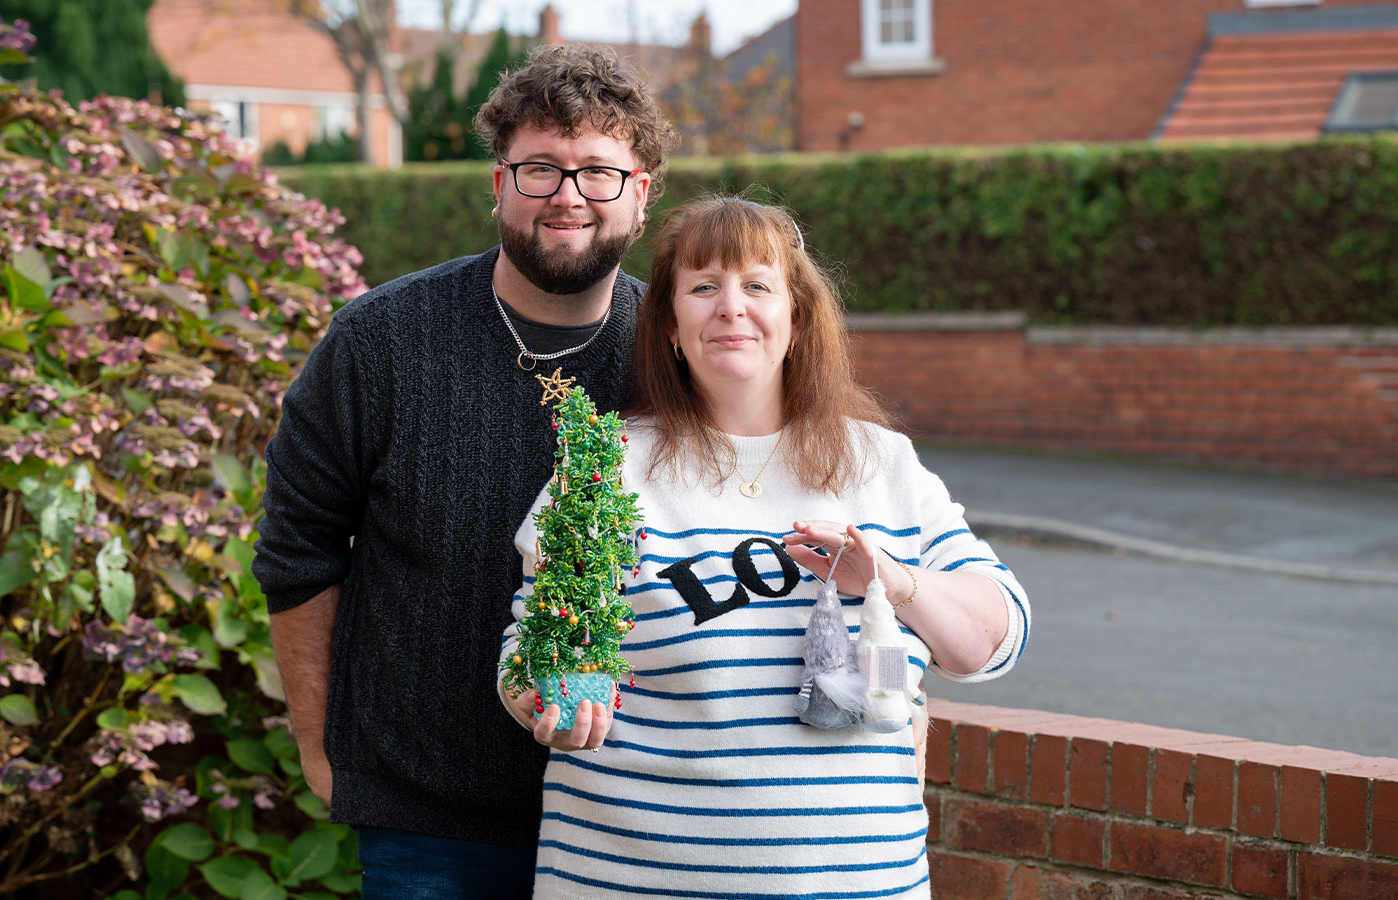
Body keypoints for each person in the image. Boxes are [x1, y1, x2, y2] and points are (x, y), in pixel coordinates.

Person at [500, 196, 1031, 898]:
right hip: (632, 879)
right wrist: (549, 699)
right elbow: (529, 651)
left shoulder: (883, 465)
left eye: (758, 285)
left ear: (797, 319)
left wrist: (897, 583)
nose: (730, 307)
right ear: (668, 327)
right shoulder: (608, 464)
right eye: (702, 287)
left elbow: (993, 643)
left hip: (860, 882)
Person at [252, 44, 678, 899]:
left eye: (598, 171)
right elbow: (297, 550)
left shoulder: (678, 354)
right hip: (427, 821)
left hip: (631, 814)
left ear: (641, 192)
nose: (567, 196)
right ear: (497, 186)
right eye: (538, 169)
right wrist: (317, 746)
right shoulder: (379, 341)